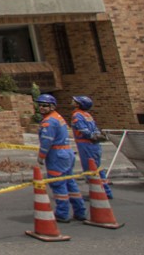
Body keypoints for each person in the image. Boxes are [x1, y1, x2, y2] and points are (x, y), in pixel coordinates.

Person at [36, 93, 87, 222]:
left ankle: (62, 213)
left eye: (45, 105)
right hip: (66, 153)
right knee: (70, 183)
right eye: (40, 105)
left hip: (57, 156)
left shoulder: (49, 122)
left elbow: (47, 141)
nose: (41, 108)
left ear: (52, 106)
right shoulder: (57, 117)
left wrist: (41, 156)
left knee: (58, 184)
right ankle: (80, 211)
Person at [71, 95, 112, 199]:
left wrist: (91, 136)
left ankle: (96, 193)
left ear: (78, 104)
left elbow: (83, 130)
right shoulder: (87, 115)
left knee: (90, 168)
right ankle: (106, 191)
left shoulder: (77, 115)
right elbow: (95, 128)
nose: (72, 101)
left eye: (75, 101)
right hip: (94, 144)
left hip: (85, 144)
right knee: (97, 167)